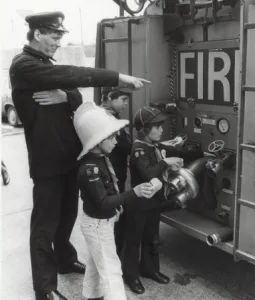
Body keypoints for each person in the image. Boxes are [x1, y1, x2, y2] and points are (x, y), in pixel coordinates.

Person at [9, 11, 150, 300]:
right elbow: (72, 75)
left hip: (70, 157)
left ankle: (64, 259)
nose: (58, 42)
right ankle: (45, 288)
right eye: (54, 35)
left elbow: (76, 95)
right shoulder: (24, 66)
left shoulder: (45, 65)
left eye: (61, 36)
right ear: (37, 33)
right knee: (44, 227)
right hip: (47, 162)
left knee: (67, 216)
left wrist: (65, 97)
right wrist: (117, 76)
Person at [74, 102, 162, 300]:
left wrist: (119, 207)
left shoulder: (101, 158)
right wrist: (134, 192)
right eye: (111, 137)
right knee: (112, 270)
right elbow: (103, 202)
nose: (116, 141)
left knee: (95, 265)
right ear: (96, 141)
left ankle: (91, 296)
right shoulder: (91, 168)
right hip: (97, 224)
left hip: (99, 223)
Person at [122, 106, 183, 294]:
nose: (161, 129)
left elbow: (166, 149)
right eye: (157, 126)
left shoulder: (153, 145)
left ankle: (150, 270)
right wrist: (166, 162)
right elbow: (148, 173)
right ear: (144, 130)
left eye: (161, 125)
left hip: (153, 203)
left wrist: (177, 144)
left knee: (151, 238)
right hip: (138, 204)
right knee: (134, 241)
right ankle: (131, 276)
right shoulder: (139, 149)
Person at [100, 86, 133, 258]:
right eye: (123, 100)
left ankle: (115, 254)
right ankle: (114, 258)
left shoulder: (110, 116)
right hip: (110, 177)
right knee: (113, 217)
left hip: (115, 175)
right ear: (110, 99)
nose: (126, 104)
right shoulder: (106, 119)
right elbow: (124, 146)